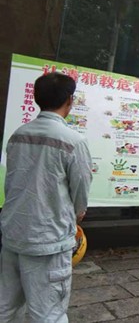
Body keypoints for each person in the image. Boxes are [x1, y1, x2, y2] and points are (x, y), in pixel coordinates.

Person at [0, 72, 93, 322]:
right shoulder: (73, 141)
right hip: (48, 239)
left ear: (36, 98)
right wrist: (78, 212)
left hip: (13, 232)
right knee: (48, 313)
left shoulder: (18, 135)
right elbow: (81, 187)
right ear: (70, 100)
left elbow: (13, 181)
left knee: (5, 307)